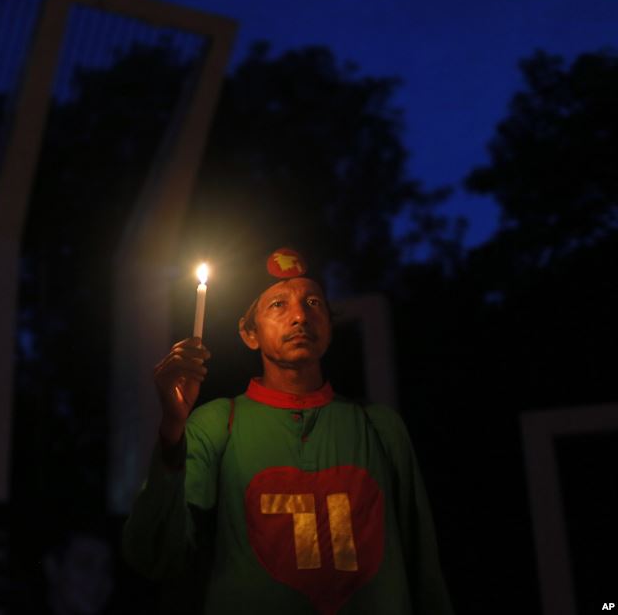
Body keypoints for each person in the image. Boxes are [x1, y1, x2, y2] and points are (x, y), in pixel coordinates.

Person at [122, 248, 453, 614]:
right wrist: (172, 429)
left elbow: (423, 568)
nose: (300, 317)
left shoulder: (379, 427)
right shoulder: (218, 424)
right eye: (278, 305)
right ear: (250, 333)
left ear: (329, 322)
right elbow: (155, 554)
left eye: (313, 302)